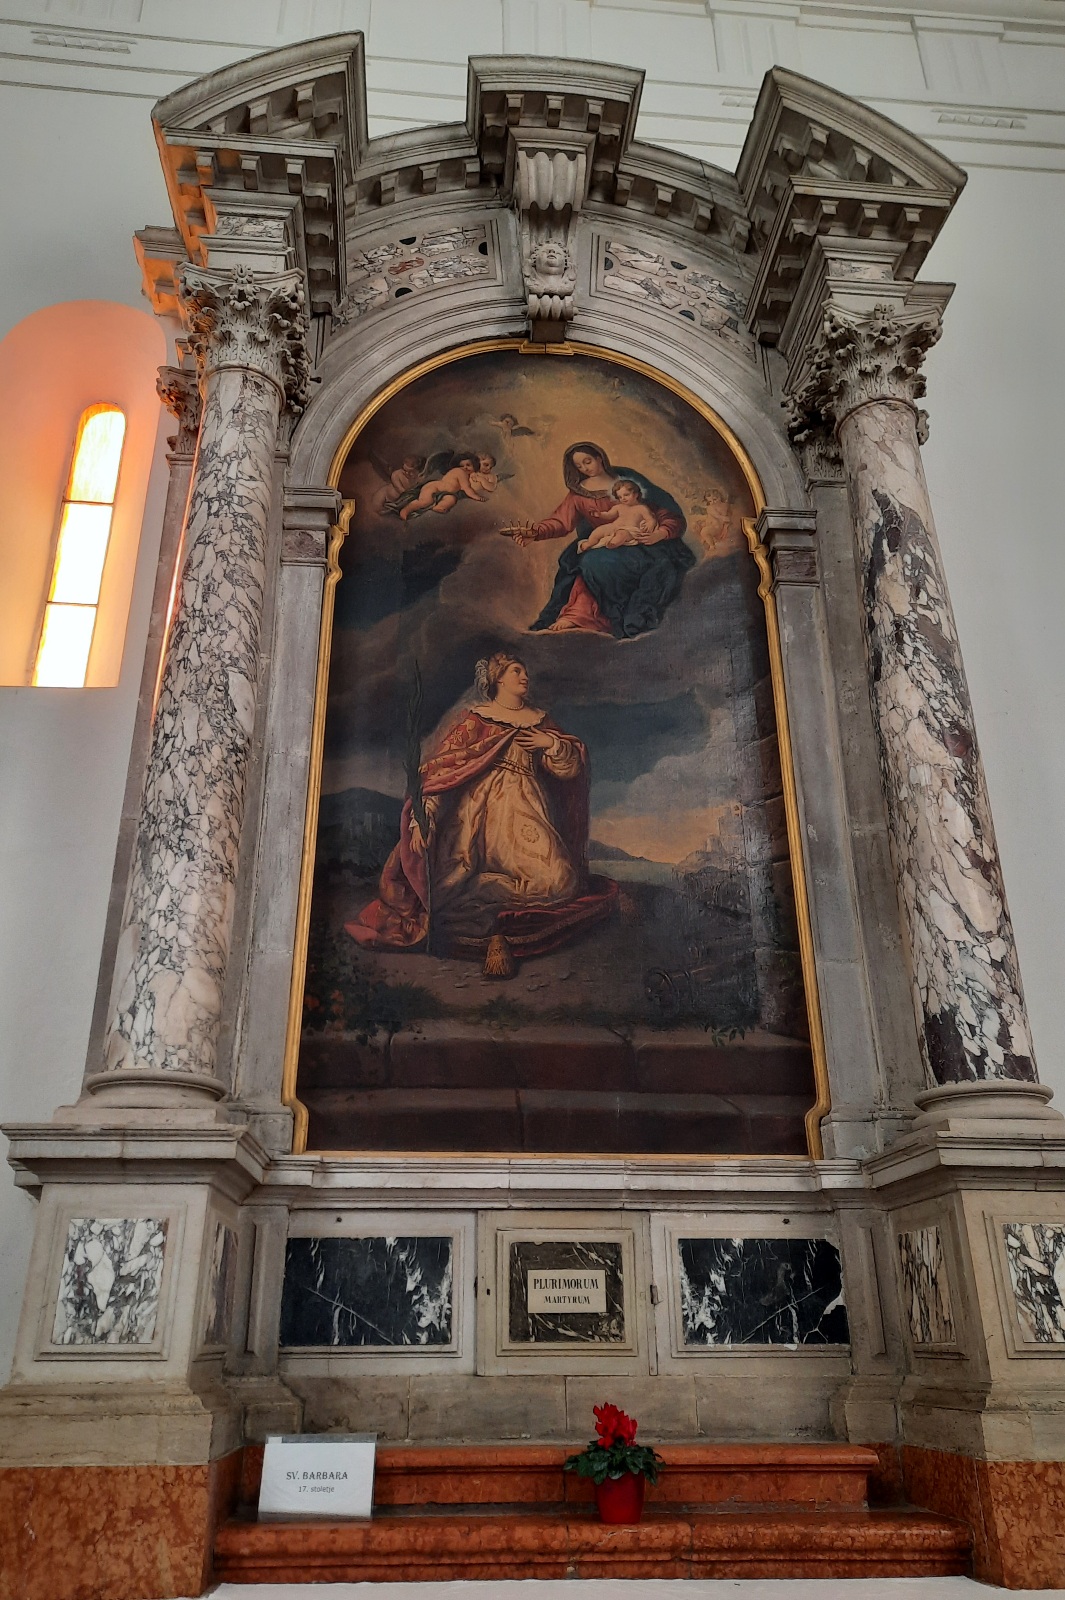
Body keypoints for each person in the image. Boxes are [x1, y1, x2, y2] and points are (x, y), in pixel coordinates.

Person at [346, 652, 617, 969]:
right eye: (517, 671)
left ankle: (486, 888)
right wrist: (422, 820)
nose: (525, 676)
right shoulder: (476, 721)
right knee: (448, 884)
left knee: (561, 882)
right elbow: (441, 775)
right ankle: (476, 885)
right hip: (475, 819)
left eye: (525, 671)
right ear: (498, 678)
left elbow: (568, 770)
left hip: (527, 812)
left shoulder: (539, 721)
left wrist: (552, 744)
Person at [503, 442, 695, 638]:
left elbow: (662, 509)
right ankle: (579, 616)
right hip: (605, 541)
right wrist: (535, 532)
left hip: (642, 543)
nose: (585, 468)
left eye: (588, 461)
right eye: (579, 466)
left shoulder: (626, 480)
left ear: (599, 458)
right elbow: (561, 521)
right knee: (583, 561)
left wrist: (661, 532)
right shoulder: (579, 493)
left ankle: (596, 616)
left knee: (596, 561)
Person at [577, 478, 664, 552]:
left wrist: (650, 524)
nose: (623, 498)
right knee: (599, 530)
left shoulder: (641, 508)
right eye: (620, 497)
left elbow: (650, 519)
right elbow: (609, 515)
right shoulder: (619, 507)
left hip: (630, 531)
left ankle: (613, 543)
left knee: (622, 534)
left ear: (636, 494)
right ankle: (589, 543)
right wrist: (600, 514)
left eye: (626, 495)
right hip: (614, 527)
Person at [398, 453, 487, 521]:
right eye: (462, 465)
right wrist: (477, 497)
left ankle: (439, 507)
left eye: (468, 465)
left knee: (451, 499)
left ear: (474, 465)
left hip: (445, 493)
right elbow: (467, 488)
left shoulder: (468, 475)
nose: (465, 468)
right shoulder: (460, 472)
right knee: (425, 501)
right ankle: (406, 510)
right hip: (434, 487)